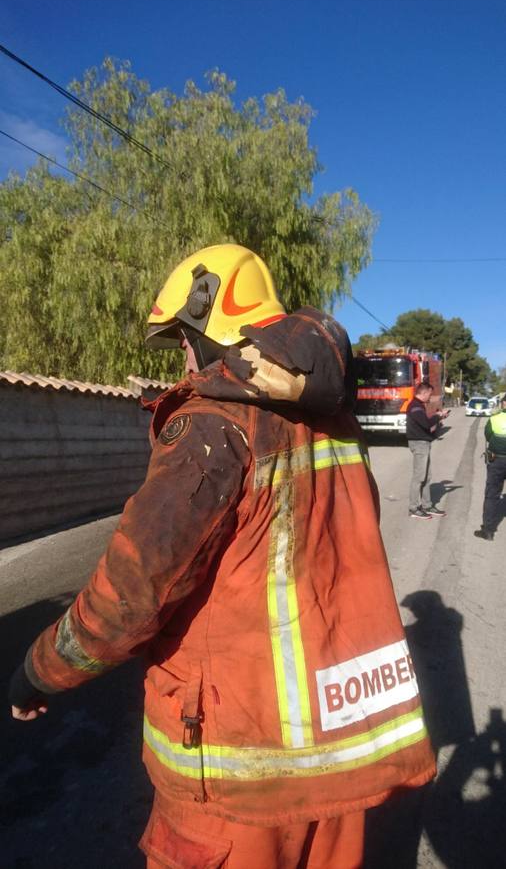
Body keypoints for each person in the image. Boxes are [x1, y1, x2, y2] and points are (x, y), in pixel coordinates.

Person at [9, 244, 435, 868]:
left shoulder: (213, 423)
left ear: (211, 322)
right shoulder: (335, 419)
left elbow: (134, 589)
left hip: (240, 772)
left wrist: (41, 669)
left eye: (184, 337)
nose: (182, 355)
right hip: (337, 755)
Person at [406, 382, 449, 519]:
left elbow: (426, 425)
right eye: (429, 394)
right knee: (419, 477)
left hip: (423, 443)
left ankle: (427, 505)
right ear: (423, 393)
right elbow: (426, 423)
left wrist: (439, 417)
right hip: (419, 444)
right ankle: (413, 508)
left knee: (426, 477)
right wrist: (438, 416)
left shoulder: (418, 406)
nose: (430, 397)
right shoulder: (415, 406)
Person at [474, 392, 506, 541]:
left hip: (497, 461)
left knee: (492, 495)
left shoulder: (494, 419)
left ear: (503, 404)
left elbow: (488, 436)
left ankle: (488, 530)